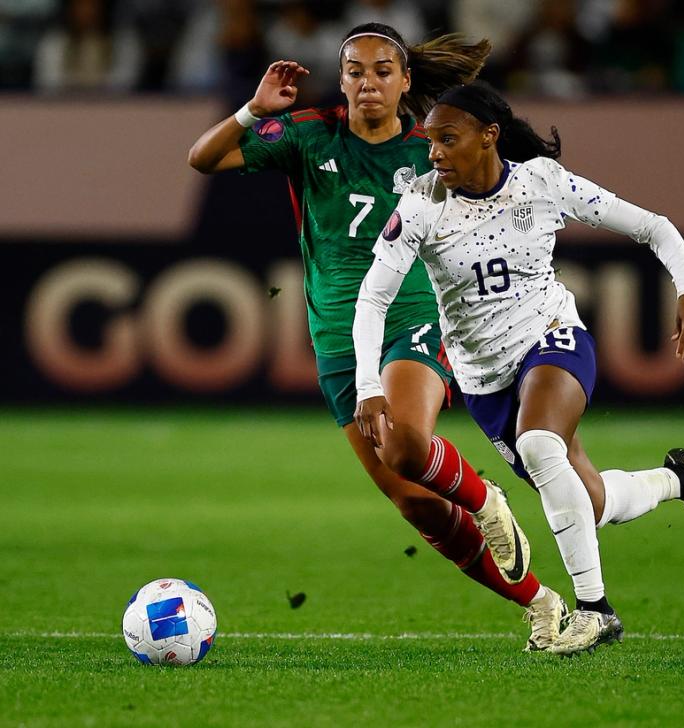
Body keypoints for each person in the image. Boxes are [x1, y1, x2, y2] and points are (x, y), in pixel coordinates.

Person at [187, 24, 569, 652]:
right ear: (342, 80)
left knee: (404, 441)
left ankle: (487, 500)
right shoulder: (309, 137)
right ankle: (540, 603)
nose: (369, 83)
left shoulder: (434, 151)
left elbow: (512, 190)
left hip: (413, 313)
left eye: (383, 71)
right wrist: (253, 109)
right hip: (337, 337)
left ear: (406, 82)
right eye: (356, 71)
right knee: (413, 502)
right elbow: (203, 158)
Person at [352, 83, 684, 656]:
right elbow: (372, 300)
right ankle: (678, 479)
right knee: (593, 502)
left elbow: (654, 226)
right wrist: (367, 386)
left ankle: (595, 611)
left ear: (489, 137)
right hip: (484, 379)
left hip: (551, 338)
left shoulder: (542, 183)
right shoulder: (420, 206)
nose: (432, 154)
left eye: (447, 140)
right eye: (430, 141)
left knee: (538, 443)